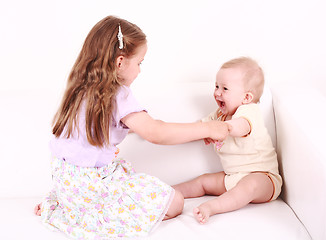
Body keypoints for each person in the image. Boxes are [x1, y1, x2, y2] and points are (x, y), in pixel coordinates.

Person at [34, 15, 229, 239]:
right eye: (139, 63)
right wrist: (209, 129)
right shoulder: (118, 94)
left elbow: (111, 126)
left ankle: (72, 207)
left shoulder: (79, 87)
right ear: (120, 62)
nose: (139, 70)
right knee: (175, 201)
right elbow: (155, 132)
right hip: (93, 185)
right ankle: (89, 213)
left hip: (68, 184)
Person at [173, 57, 282, 224]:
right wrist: (187, 131)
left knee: (248, 186)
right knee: (203, 181)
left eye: (225, 88)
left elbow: (242, 126)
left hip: (263, 178)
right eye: (216, 86)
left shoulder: (248, 110)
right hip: (233, 177)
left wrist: (224, 128)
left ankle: (211, 207)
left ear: (246, 97)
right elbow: (198, 128)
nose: (217, 92)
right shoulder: (219, 115)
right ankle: (168, 192)